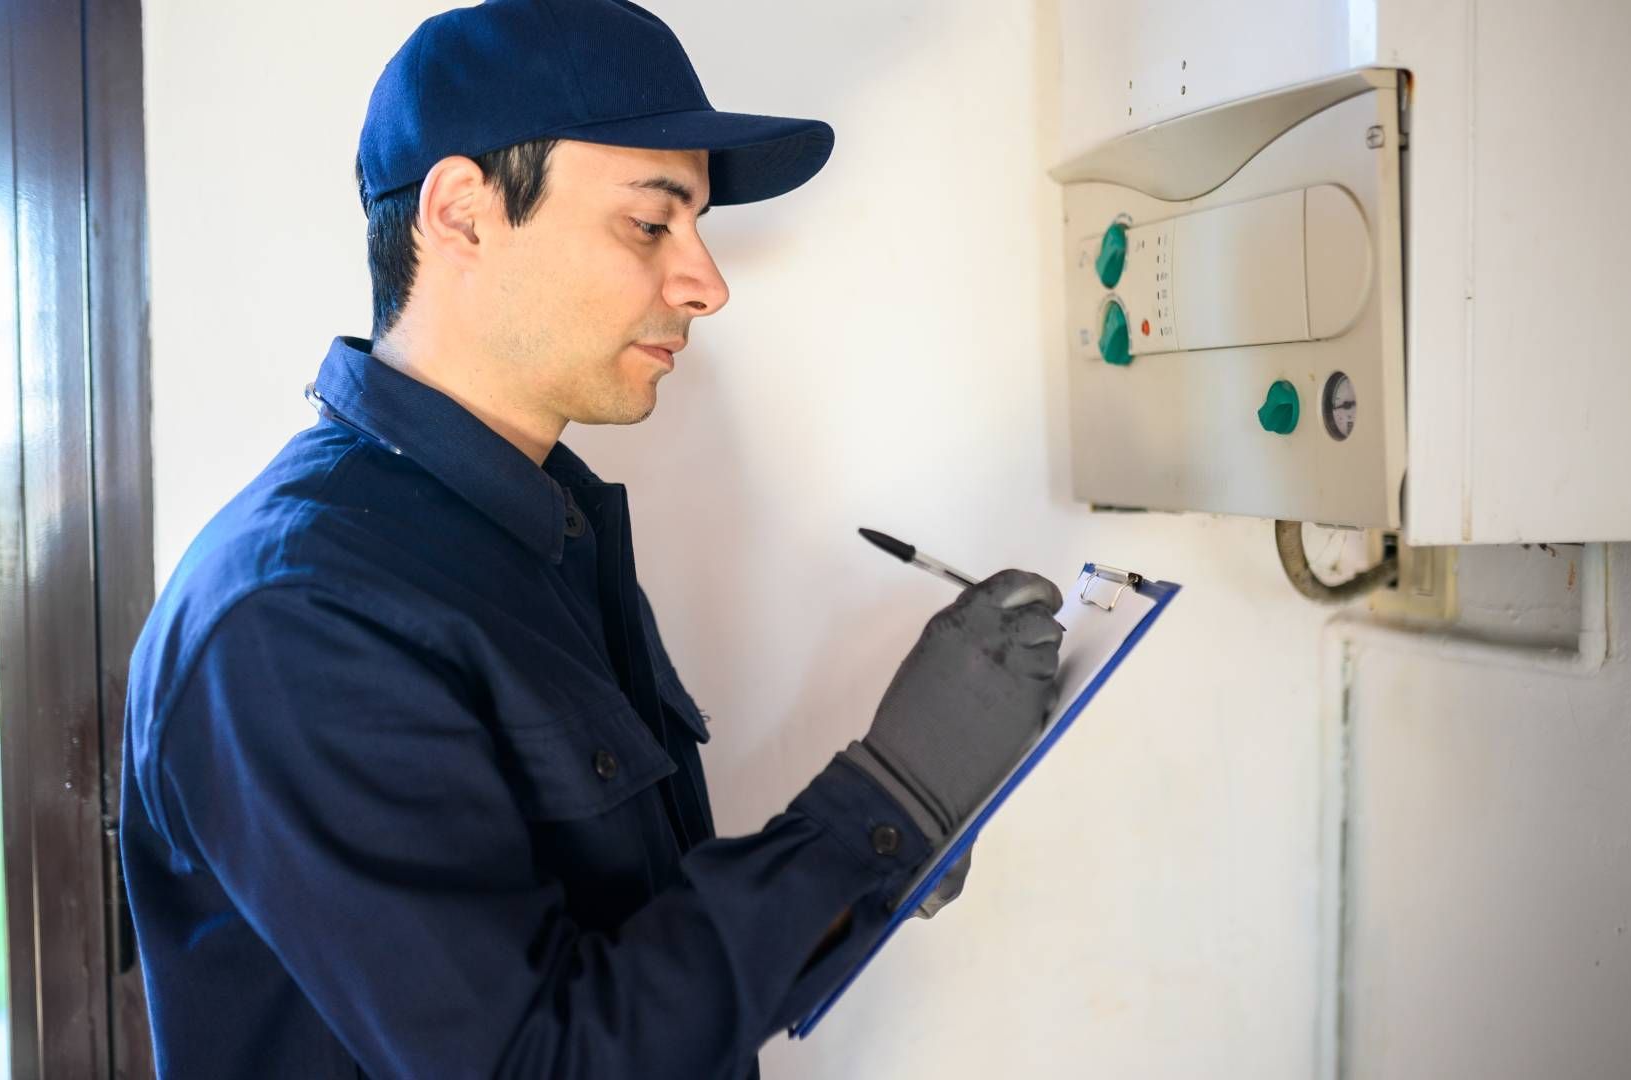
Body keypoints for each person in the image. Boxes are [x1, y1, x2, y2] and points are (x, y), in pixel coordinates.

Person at [119, 1, 1064, 1076]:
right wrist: (885, 808)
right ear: (462, 212)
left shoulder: (536, 531)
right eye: (651, 224)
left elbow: (631, 957)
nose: (706, 282)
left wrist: (882, 860)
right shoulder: (297, 617)